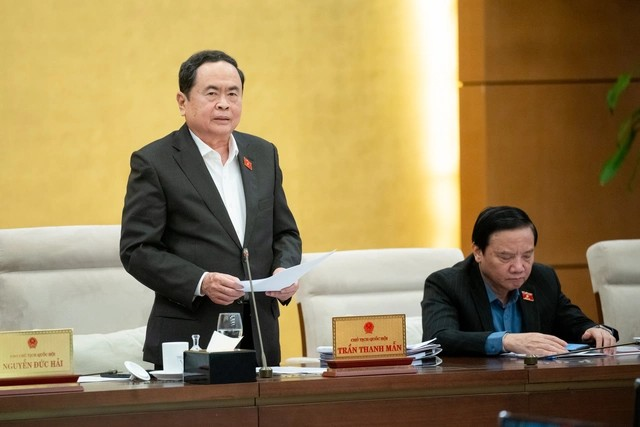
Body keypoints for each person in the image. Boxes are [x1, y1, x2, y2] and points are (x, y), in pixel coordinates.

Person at [120, 50, 302, 368]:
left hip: (260, 334)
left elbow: (284, 232)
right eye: (212, 93)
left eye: (233, 94)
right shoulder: (155, 162)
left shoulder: (263, 154)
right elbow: (137, 250)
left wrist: (284, 269)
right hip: (191, 336)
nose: (224, 104)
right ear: (182, 102)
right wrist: (201, 281)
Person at [421, 206, 618, 357]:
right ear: (478, 252)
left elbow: (572, 321)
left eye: (527, 256)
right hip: (476, 388)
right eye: (505, 257)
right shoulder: (447, 284)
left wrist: (593, 330)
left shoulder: (542, 278)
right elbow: (439, 338)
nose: (518, 267)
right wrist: (506, 341)